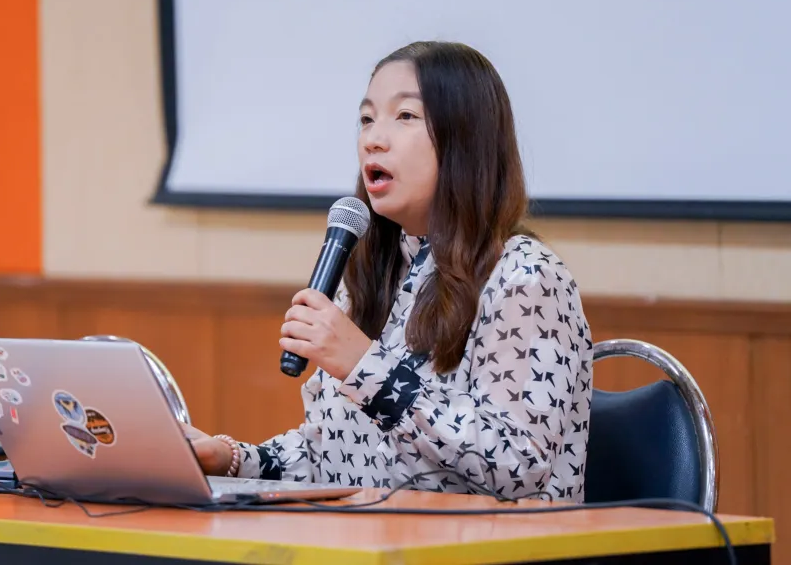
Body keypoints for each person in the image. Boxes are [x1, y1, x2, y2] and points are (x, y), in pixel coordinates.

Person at [184, 41, 593, 502]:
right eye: (366, 119)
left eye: (405, 116)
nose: (373, 139)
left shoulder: (527, 278)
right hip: (368, 535)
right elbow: (333, 455)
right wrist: (232, 459)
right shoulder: (372, 275)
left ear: (466, 139)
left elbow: (518, 465)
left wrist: (366, 368)